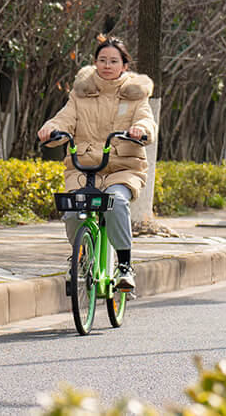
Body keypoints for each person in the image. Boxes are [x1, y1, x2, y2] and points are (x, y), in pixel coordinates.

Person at [37, 36, 157, 292]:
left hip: (122, 169)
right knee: (72, 212)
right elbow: (64, 119)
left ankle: (124, 266)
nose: (107, 65)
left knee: (116, 202)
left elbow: (148, 123)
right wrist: (51, 129)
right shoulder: (81, 94)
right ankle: (81, 255)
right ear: (94, 62)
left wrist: (139, 129)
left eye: (114, 61)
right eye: (102, 60)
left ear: (125, 65)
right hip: (83, 170)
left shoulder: (135, 96)